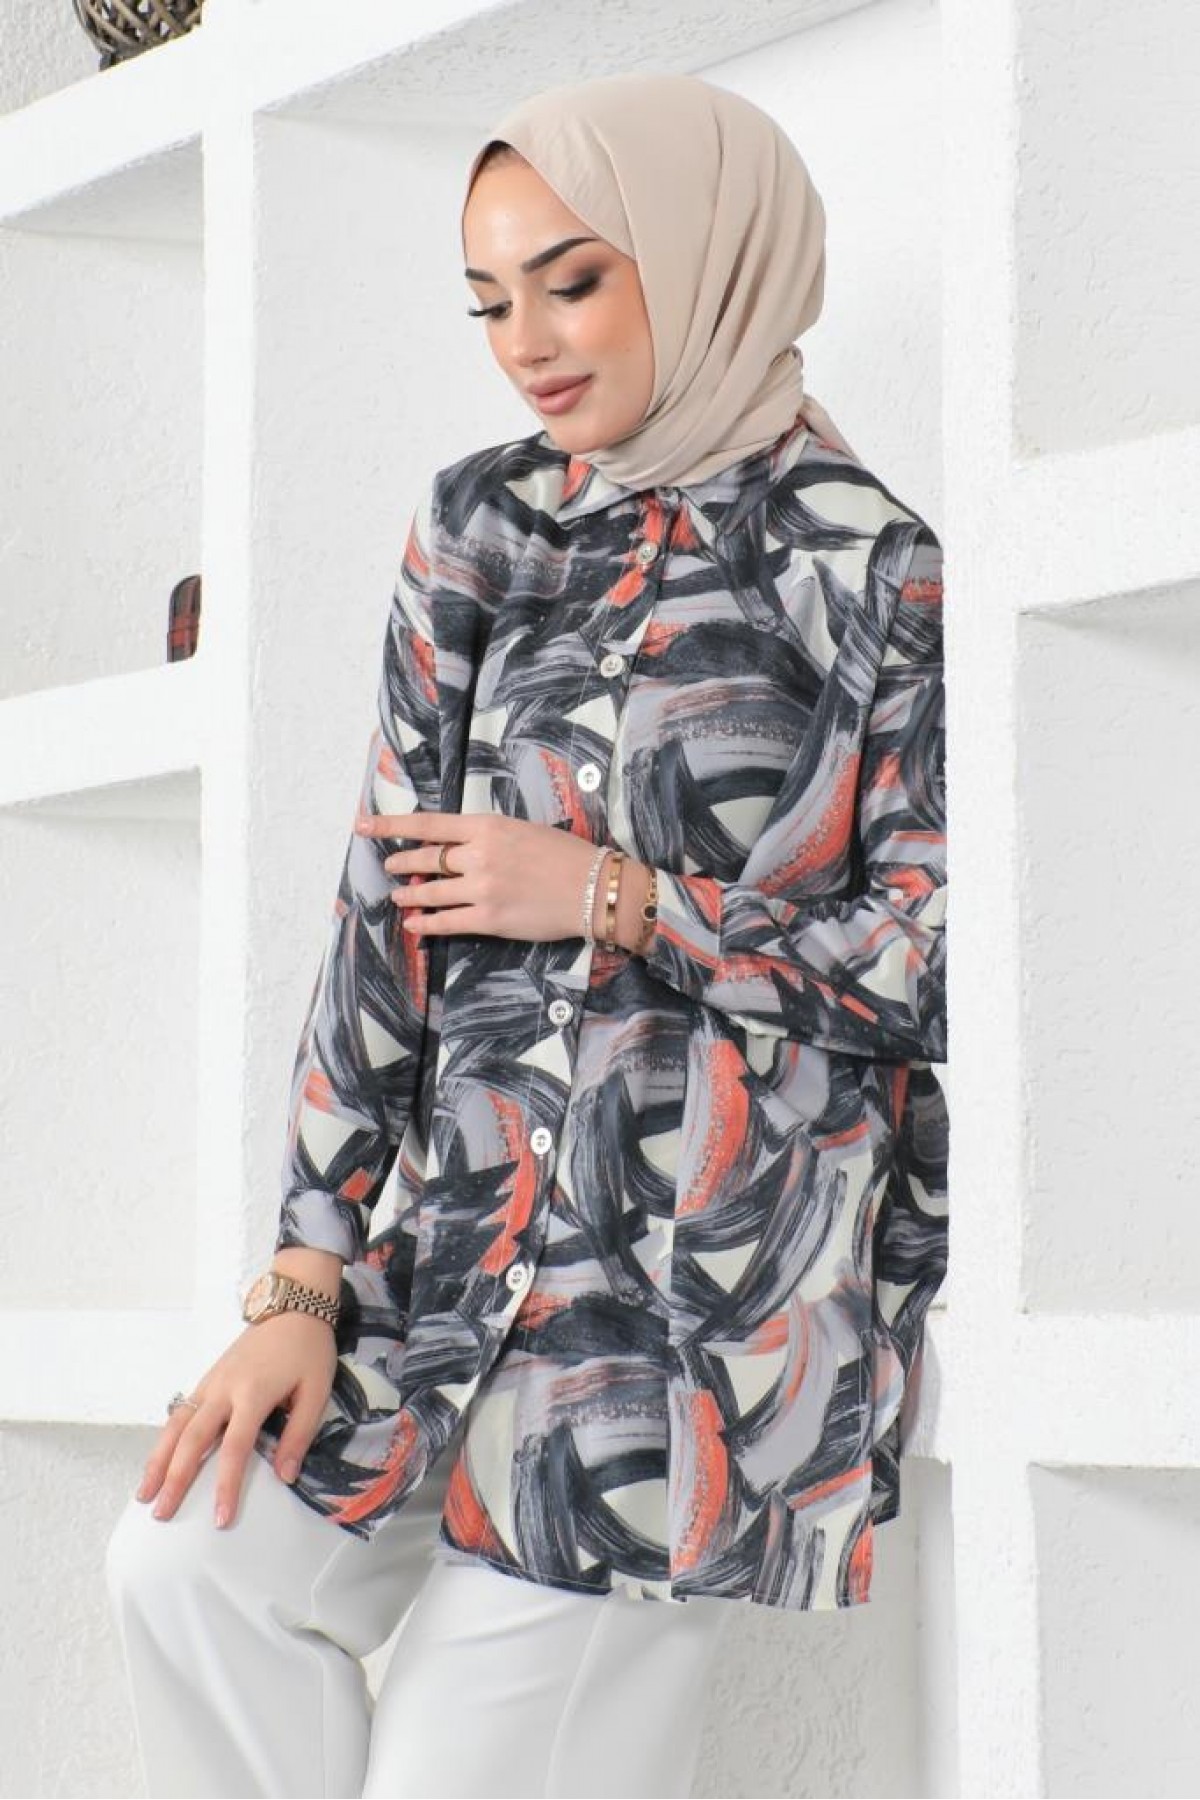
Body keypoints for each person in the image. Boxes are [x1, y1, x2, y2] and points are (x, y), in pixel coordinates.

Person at [104, 68, 949, 1800]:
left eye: (572, 282)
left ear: (705, 255)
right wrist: (303, 1276)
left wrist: (613, 897)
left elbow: (912, 964)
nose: (528, 346)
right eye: (490, 301)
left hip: (687, 1310)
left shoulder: (868, 568)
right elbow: (382, 910)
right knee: (183, 1567)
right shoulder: (484, 524)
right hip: (455, 1257)